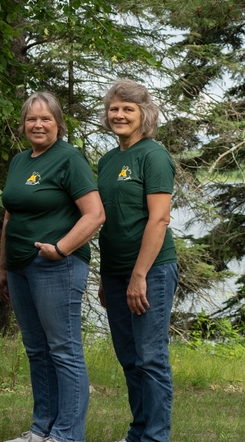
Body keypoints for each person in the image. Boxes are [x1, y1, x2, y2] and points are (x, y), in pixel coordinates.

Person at [0, 92, 105, 442]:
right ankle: (41, 429)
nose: (38, 124)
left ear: (58, 123)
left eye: (45, 119)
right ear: (23, 124)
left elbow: (95, 213)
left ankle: (67, 434)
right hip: (19, 267)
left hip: (56, 266)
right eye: (31, 119)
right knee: (37, 349)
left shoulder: (68, 158)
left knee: (63, 348)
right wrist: (1, 267)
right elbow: (9, 214)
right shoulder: (19, 161)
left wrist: (60, 249)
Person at [97, 80, 177, 442]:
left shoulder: (153, 155)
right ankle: (139, 431)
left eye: (128, 109)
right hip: (115, 273)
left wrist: (139, 275)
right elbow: (108, 218)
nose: (119, 115)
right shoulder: (108, 160)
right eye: (114, 108)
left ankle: (156, 436)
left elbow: (159, 219)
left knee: (150, 357)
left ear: (144, 114)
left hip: (151, 270)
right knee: (129, 358)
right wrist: (106, 277)